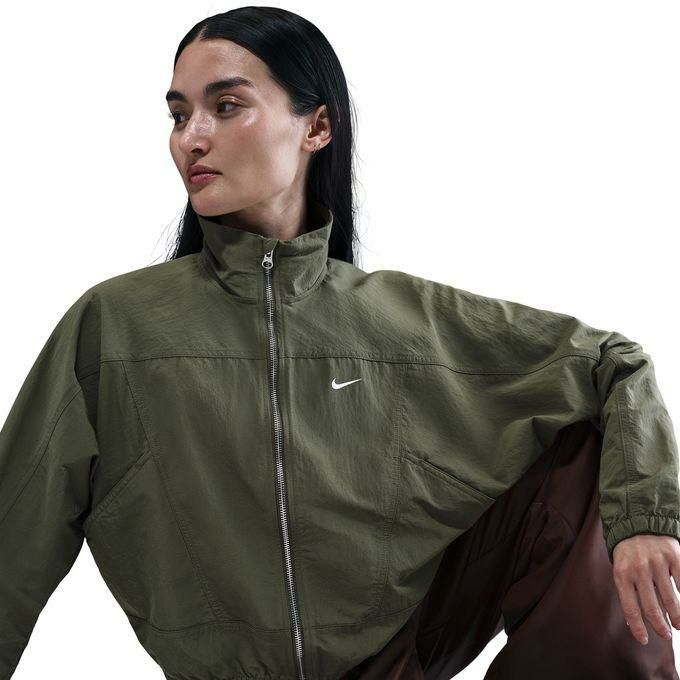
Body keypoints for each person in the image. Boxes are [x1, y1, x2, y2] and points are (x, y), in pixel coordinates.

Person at [0, 6, 678, 679]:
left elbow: (610, 363)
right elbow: (16, 524)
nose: (191, 138)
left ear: (317, 127)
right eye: (179, 115)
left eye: (226, 106)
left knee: (582, 456)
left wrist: (643, 520)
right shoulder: (116, 327)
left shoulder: (401, 320)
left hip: (392, 661)